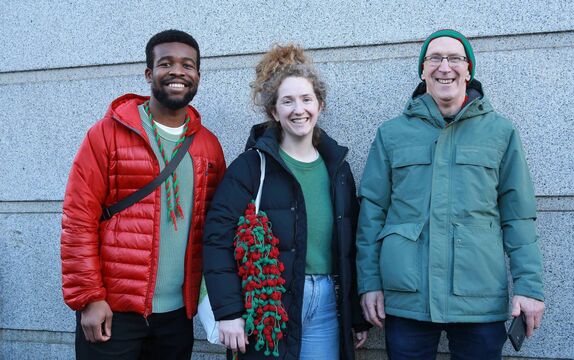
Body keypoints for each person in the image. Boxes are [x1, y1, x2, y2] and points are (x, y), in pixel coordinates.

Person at [356, 29, 545, 359]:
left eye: (455, 58)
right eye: (435, 58)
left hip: (479, 297)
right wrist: (369, 283)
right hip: (407, 298)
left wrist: (529, 287)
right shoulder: (392, 134)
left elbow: (518, 215)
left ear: (468, 69)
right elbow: (372, 213)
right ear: (423, 70)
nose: (445, 67)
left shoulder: (500, 132)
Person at [60, 29, 226, 359]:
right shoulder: (106, 134)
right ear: (149, 73)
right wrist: (90, 298)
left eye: (188, 65)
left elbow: (217, 231)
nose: (178, 71)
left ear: (197, 76)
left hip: (178, 318)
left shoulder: (208, 146)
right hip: (113, 312)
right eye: (166, 63)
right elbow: (78, 220)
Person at [203, 44, 369, 359]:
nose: (298, 109)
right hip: (269, 307)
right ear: (273, 111)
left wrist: (354, 314)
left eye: (307, 99)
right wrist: (228, 312)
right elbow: (217, 240)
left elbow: (351, 248)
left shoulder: (338, 168)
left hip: (326, 304)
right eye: (287, 101)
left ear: (320, 104)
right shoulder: (252, 166)